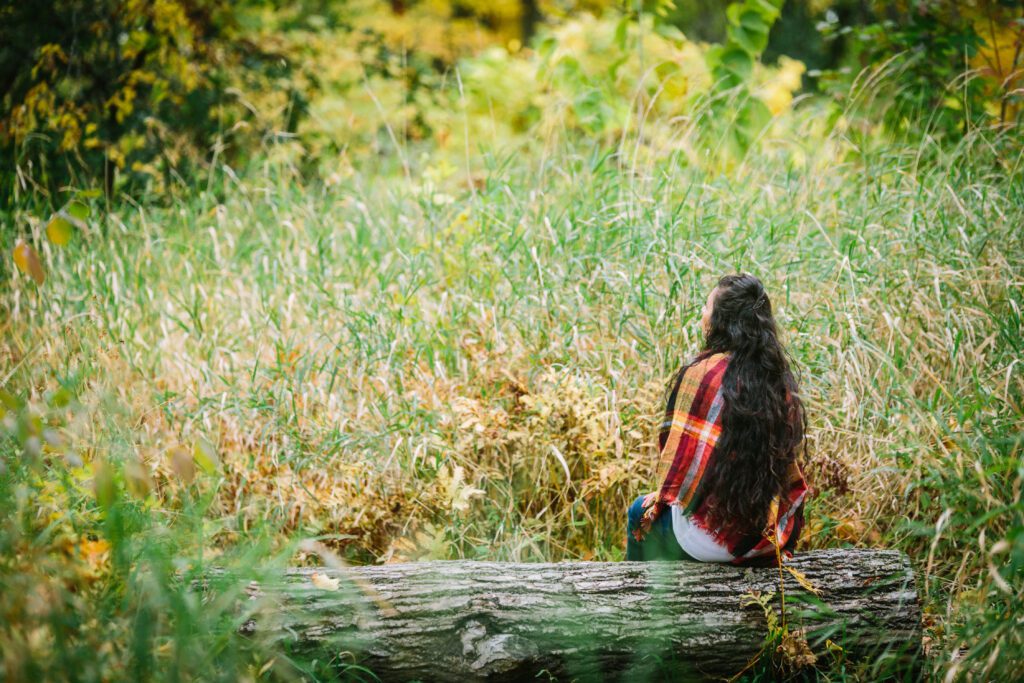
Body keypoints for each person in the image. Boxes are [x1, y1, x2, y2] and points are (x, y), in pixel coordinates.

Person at [626, 273, 809, 566]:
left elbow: (675, 461)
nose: (702, 313)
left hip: (711, 543)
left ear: (721, 321)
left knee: (639, 512)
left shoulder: (703, 375)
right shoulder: (777, 379)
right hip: (765, 537)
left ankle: (638, 602)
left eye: (707, 307)